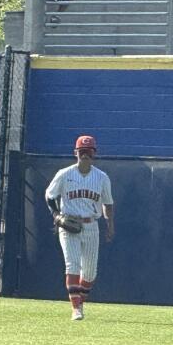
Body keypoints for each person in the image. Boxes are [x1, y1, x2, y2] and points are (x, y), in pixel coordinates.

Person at [45, 135, 115, 321]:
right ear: (75, 153)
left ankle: (80, 300)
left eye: (88, 152)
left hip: (91, 225)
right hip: (68, 224)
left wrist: (109, 224)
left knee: (90, 272)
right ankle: (76, 307)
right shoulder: (64, 174)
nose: (85, 155)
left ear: (94, 154)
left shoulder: (101, 178)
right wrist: (56, 215)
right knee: (72, 264)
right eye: (82, 152)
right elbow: (49, 196)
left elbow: (107, 203)